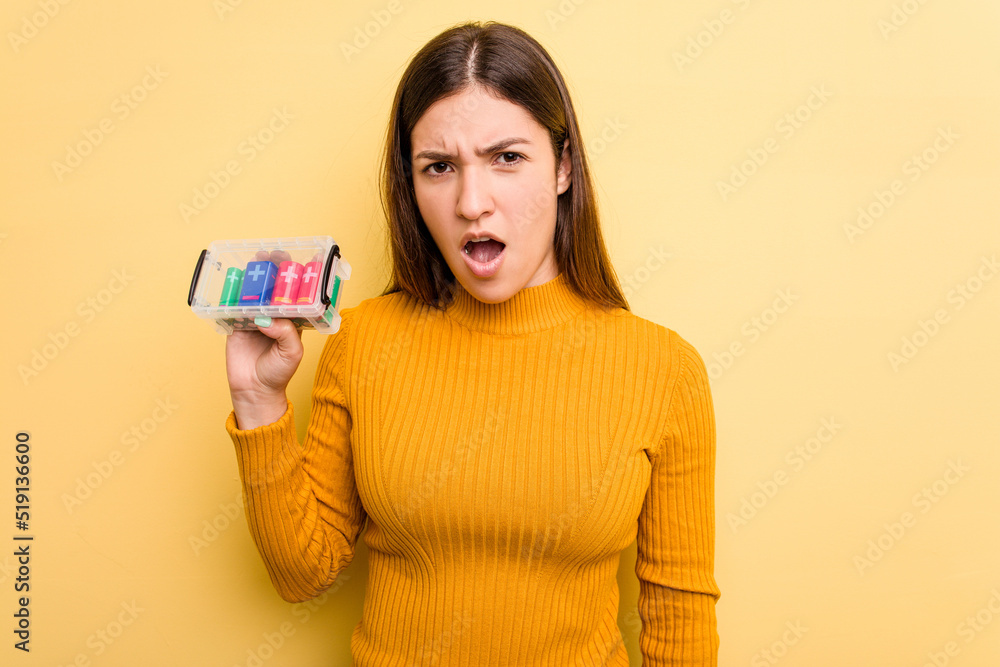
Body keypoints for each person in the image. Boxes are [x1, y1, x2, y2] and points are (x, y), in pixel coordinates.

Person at [225, 20, 720, 666]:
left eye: (507, 158)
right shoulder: (365, 341)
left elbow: (679, 617)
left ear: (564, 166)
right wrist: (257, 399)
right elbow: (303, 574)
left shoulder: (664, 369)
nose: (472, 202)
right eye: (439, 167)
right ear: (412, 183)